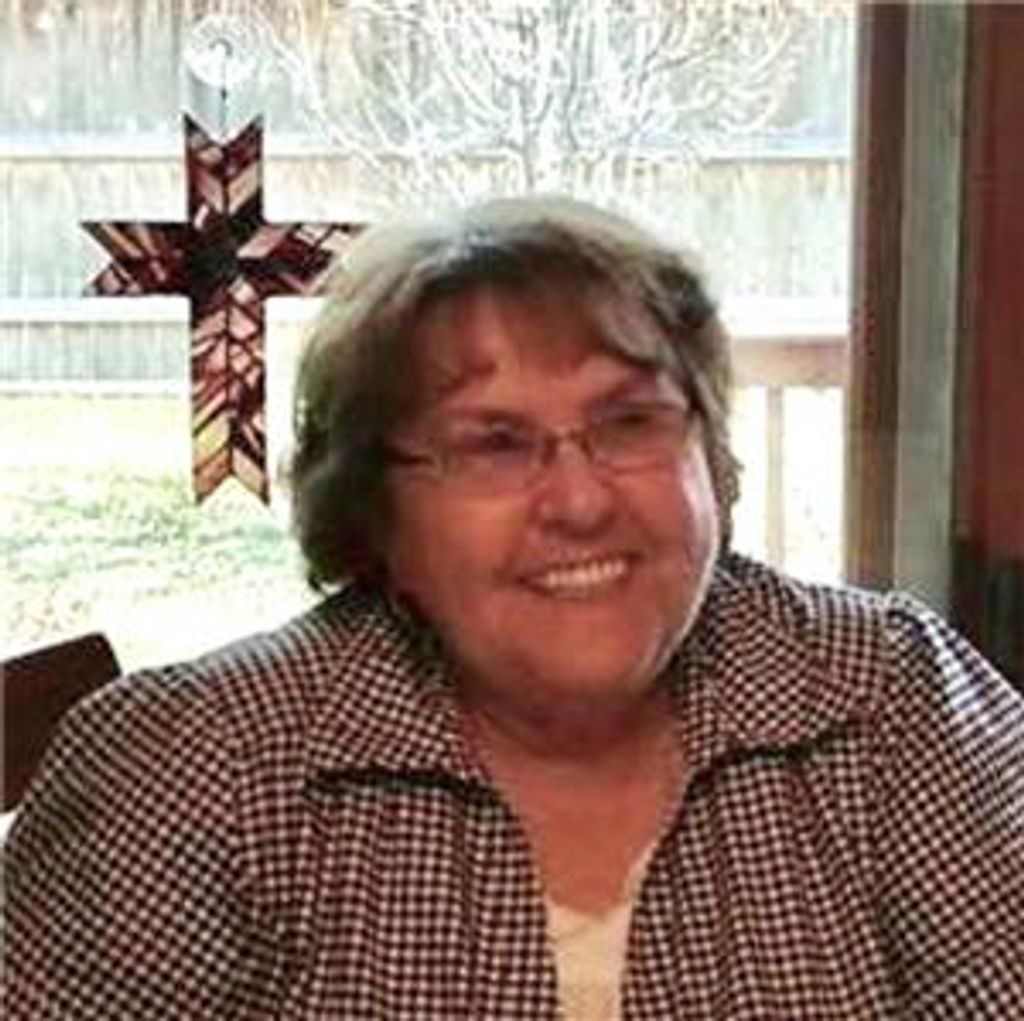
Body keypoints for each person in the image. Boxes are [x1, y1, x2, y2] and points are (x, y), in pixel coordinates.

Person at [3, 195, 1022, 1020]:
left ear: (708, 456)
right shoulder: (192, 765)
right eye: (492, 444)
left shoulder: (892, 698)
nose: (579, 502)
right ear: (376, 513)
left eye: (630, 422)